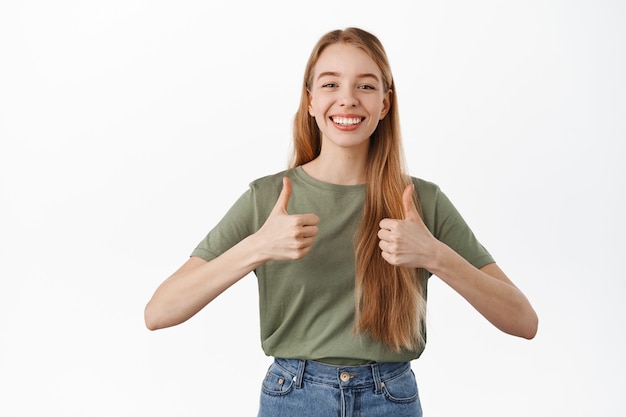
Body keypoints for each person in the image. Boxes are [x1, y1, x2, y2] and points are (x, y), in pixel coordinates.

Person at [144, 27, 538, 417]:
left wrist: (434, 255)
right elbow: (159, 312)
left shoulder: (421, 202)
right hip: (293, 397)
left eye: (365, 87)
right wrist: (258, 247)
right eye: (331, 84)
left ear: (385, 104)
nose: (347, 100)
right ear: (310, 101)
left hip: (391, 398)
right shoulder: (267, 198)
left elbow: (523, 320)